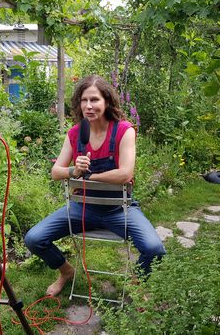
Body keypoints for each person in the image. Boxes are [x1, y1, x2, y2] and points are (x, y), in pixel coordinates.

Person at [24, 75, 166, 296]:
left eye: (95, 100)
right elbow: (56, 172)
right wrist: (74, 170)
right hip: (82, 209)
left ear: (107, 101)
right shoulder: (75, 134)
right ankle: (66, 272)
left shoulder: (123, 131)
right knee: (34, 239)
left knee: (154, 249)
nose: (89, 106)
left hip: (119, 210)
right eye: (84, 100)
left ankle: (138, 280)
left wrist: (88, 177)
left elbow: (125, 174)